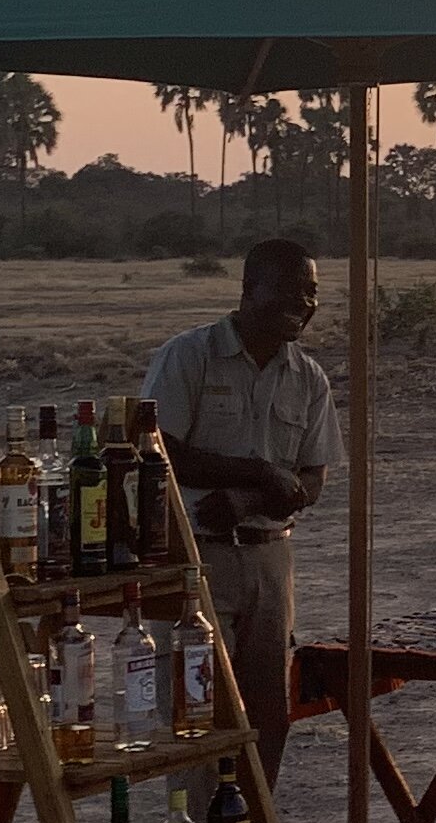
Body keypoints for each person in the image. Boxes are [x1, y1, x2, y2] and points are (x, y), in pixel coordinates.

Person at [143, 235, 338, 783]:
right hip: (196, 561)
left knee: (268, 716)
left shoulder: (308, 377)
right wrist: (254, 471)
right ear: (250, 290)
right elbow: (159, 451)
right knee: (197, 715)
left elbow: (312, 479)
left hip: (272, 563)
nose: (305, 303)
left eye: (312, 292)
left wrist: (250, 496)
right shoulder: (189, 356)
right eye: (292, 290)